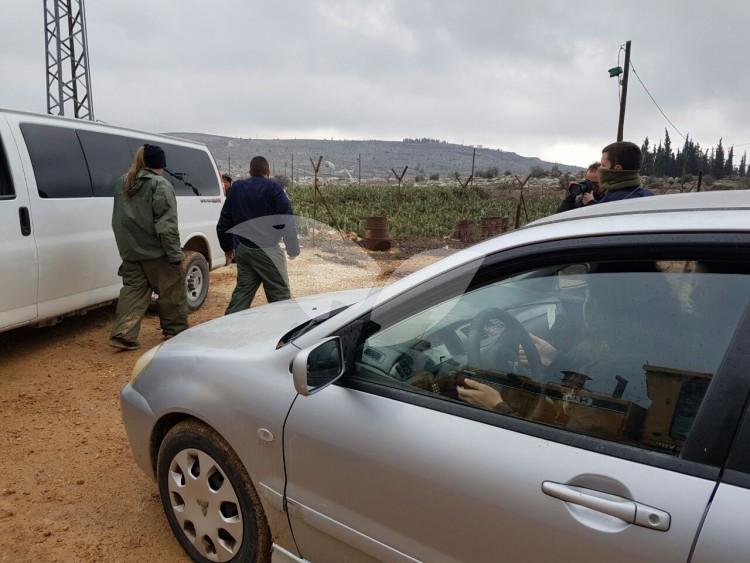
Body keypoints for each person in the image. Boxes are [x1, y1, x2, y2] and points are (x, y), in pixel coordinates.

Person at [110, 144, 188, 350]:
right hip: (157, 253)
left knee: (133, 292)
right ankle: (176, 332)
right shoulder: (160, 185)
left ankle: (123, 333)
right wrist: (175, 255)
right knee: (172, 291)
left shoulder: (122, 182)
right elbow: (166, 226)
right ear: (160, 164)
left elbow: (119, 220)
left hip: (131, 252)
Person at [217, 156, 300, 314]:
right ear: (267, 172)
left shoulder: (237, 188)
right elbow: (286, 221)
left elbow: (224, 223)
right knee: (280, 296)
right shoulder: (274, 188)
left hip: (244, 250)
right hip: (268, 251)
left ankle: (227, 331)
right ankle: (284, 334)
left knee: (242, 293)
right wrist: (292, 249)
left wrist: (227, 247)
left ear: (250, 171)